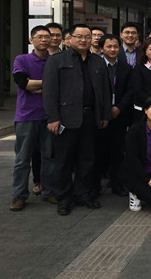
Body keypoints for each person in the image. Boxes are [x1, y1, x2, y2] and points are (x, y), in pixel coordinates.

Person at [43, 24, 112, 215]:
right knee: (64, 161)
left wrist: (105, 115)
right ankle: (64, 198)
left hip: (91, 117)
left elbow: (106, 90)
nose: (84, 40)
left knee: (87, 159)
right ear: (70, 39)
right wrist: (53, 117)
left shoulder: (98, 61)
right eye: (79, 36)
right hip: (66, 119)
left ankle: (83, 194)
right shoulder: (57, 60)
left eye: (87, 37)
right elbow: (49, 91)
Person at [9, 26, 56, 211]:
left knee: (49, 157)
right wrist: (48, 84)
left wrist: (36, 86)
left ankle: (49, 191)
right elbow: (23, 83)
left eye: (47, 37)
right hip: (26, 116)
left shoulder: (54, 61)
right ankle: (19, 195)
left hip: (50, 117)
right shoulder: (22, 60)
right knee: (22, 158)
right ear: (31, 40)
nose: (44, 40)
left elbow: (61, 86)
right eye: (39, 37)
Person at [94, 34, 133, 198]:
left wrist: (118, 108)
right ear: (101, 48)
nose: (112, 49)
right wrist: (104, 110)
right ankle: (95, 186)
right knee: (98, 152)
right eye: (108, 46)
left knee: (118, 151)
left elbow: (130, 91)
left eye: (115, 46)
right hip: (99, 115)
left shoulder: (126, 67)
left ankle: (117, 183)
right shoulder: (94, 66)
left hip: (119, 115)